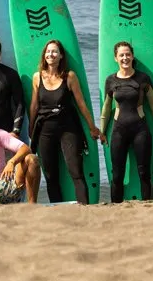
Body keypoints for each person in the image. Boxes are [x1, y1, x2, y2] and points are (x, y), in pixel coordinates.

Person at [28, 39, 101, 204]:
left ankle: (84, 208)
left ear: (61, 56)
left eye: (54, 51)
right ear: (44, 55)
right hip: (45, 130)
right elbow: (34, 106)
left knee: (75, 171)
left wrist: (92, 127)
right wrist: (32, 130)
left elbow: (81, 104)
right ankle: (57, 208)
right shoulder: (37, 77)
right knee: (50, 175)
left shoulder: (69, 76)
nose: (51, 54)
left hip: (68, 129)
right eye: (48, 51)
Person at [99, 41, 153, 203]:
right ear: (116, 58)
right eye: (121, 55)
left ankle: (148, 206)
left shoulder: (142, 78)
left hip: (140, 130)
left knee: (144, 172)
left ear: (132, 56)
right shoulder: (111, 81)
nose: (125, 58)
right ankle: (116, 208)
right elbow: (106, 108)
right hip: (118, 131)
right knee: (117, 174)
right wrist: (101, 131)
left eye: (128, 54)